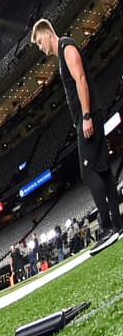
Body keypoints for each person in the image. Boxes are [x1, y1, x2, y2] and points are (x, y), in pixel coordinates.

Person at [31, 19, 122, 237]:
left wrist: (87, 116)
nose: (40, 47)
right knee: (104, 171)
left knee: (88, 173)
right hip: (85, 116)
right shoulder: (60, 56)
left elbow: (81, 79)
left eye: (40, 41)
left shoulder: (66, 46)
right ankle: (118, 225)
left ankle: (107, 227)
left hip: (88, 115)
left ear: (48, 34)